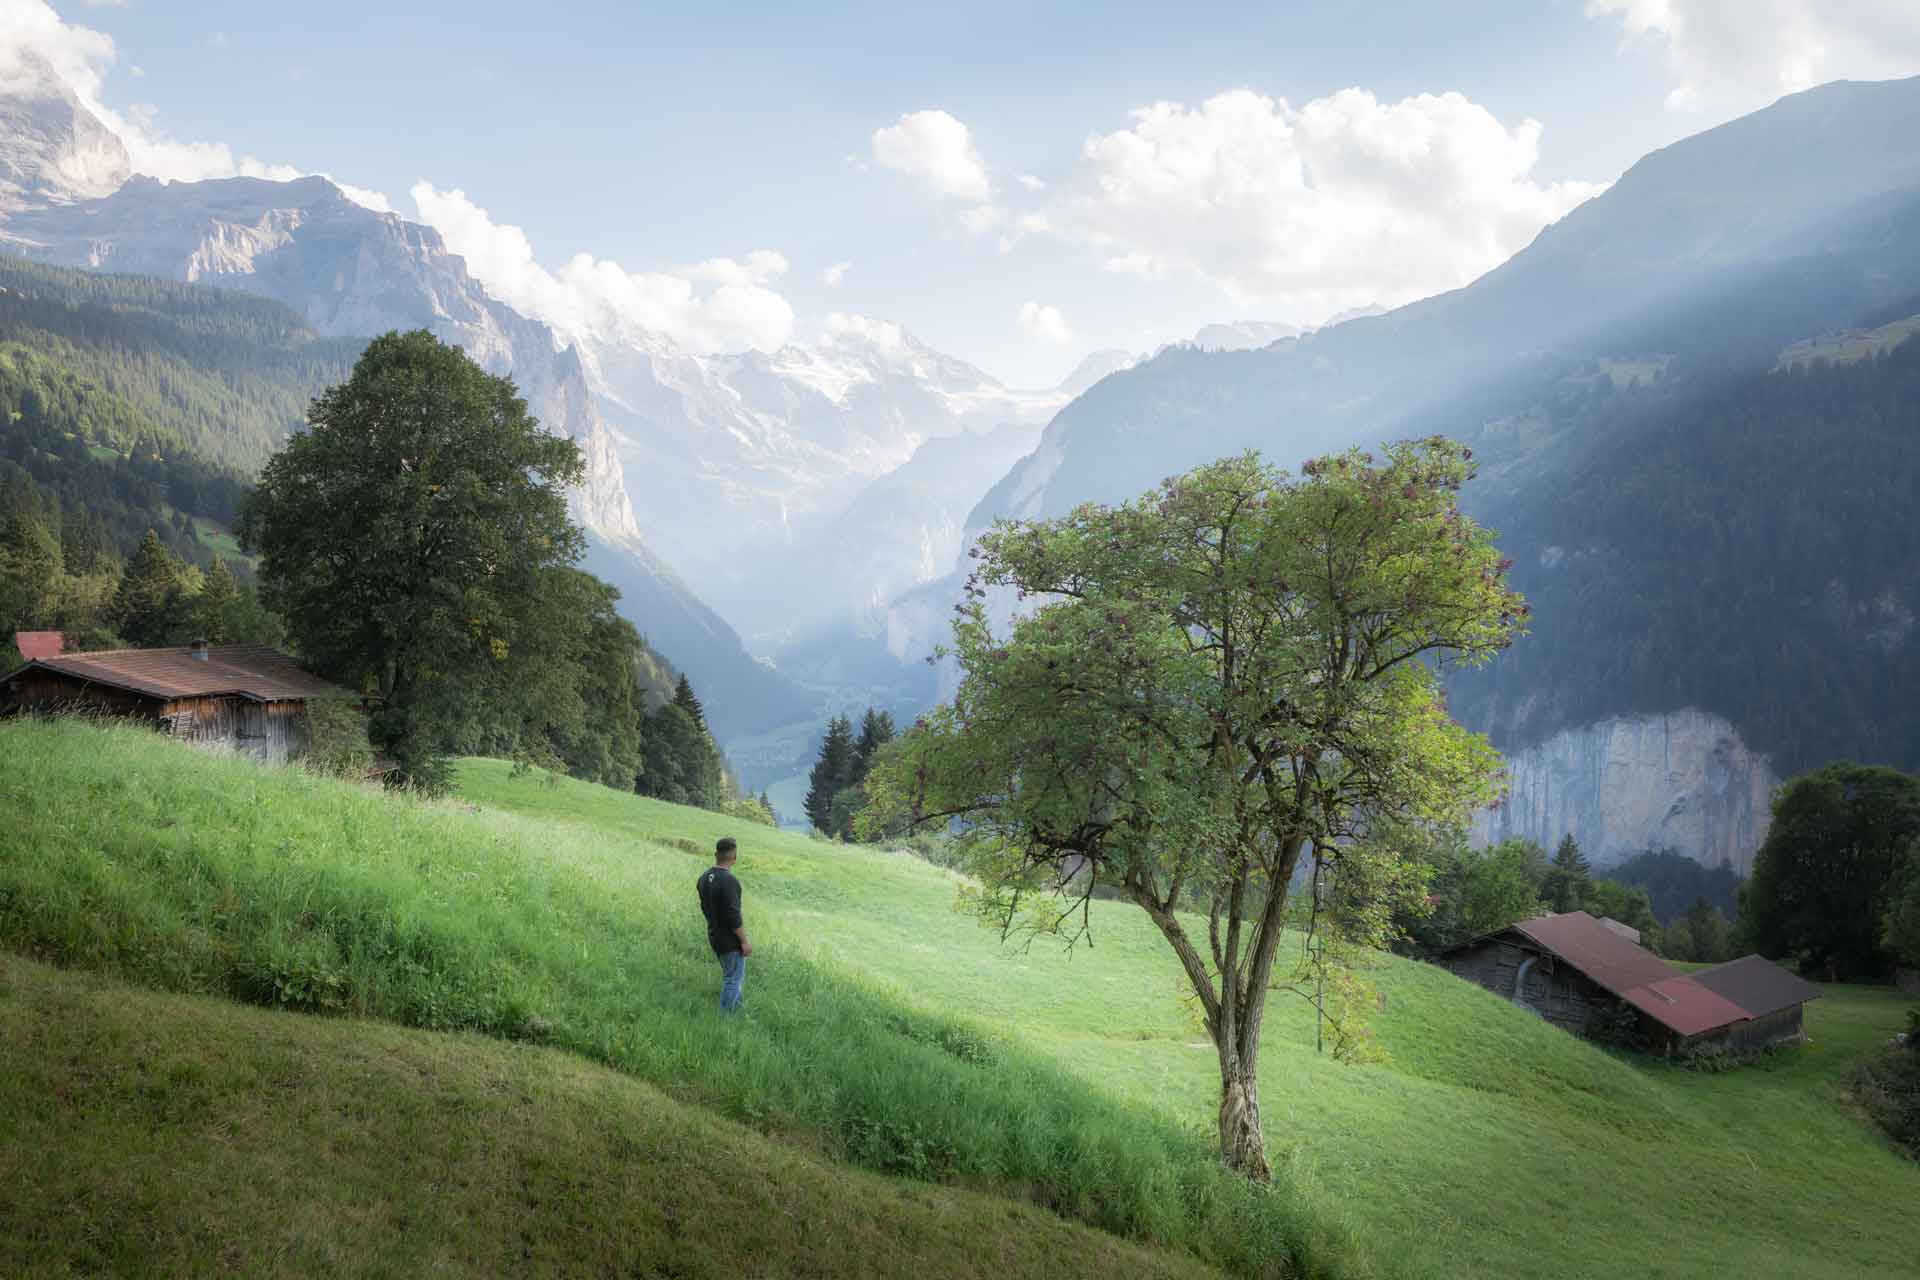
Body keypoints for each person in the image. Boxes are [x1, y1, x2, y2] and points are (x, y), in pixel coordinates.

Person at [697, 836, 750, 1012]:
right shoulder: (729, 881)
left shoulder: (704, 878)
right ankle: (724, 1019)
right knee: (732, 979)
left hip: (714, 935)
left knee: (734, 976)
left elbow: (705, 908)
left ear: (716, 854)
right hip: (730, 941)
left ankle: (739, 1013)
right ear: (734, 857)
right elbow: (733, 917)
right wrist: (744, 942)